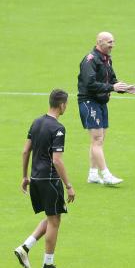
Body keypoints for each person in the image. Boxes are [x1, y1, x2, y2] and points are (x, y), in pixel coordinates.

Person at [14, 89, 75, 268]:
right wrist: (69, 185)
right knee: (55, 222)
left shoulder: (37, 122)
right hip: (50, 180)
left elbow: (25, 151)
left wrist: (25, 176)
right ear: (62, 105)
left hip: (35, 179)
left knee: (51, 217)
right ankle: (48, 264)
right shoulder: (58, 128)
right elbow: (57, 160)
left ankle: (25, 247)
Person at [78, 31, 135, 186]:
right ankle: (106, 174)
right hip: (89, 102)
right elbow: (90, 84)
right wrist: (112, 87)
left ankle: (92, 174)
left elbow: (112, 80)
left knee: (98, 140)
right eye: (110, 42)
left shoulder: (106, 60)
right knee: (97, 139)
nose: (113, 45)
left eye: (113, 41)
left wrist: (124, 88)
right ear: (99, 42)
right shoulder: (90, 60)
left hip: (101, 102)